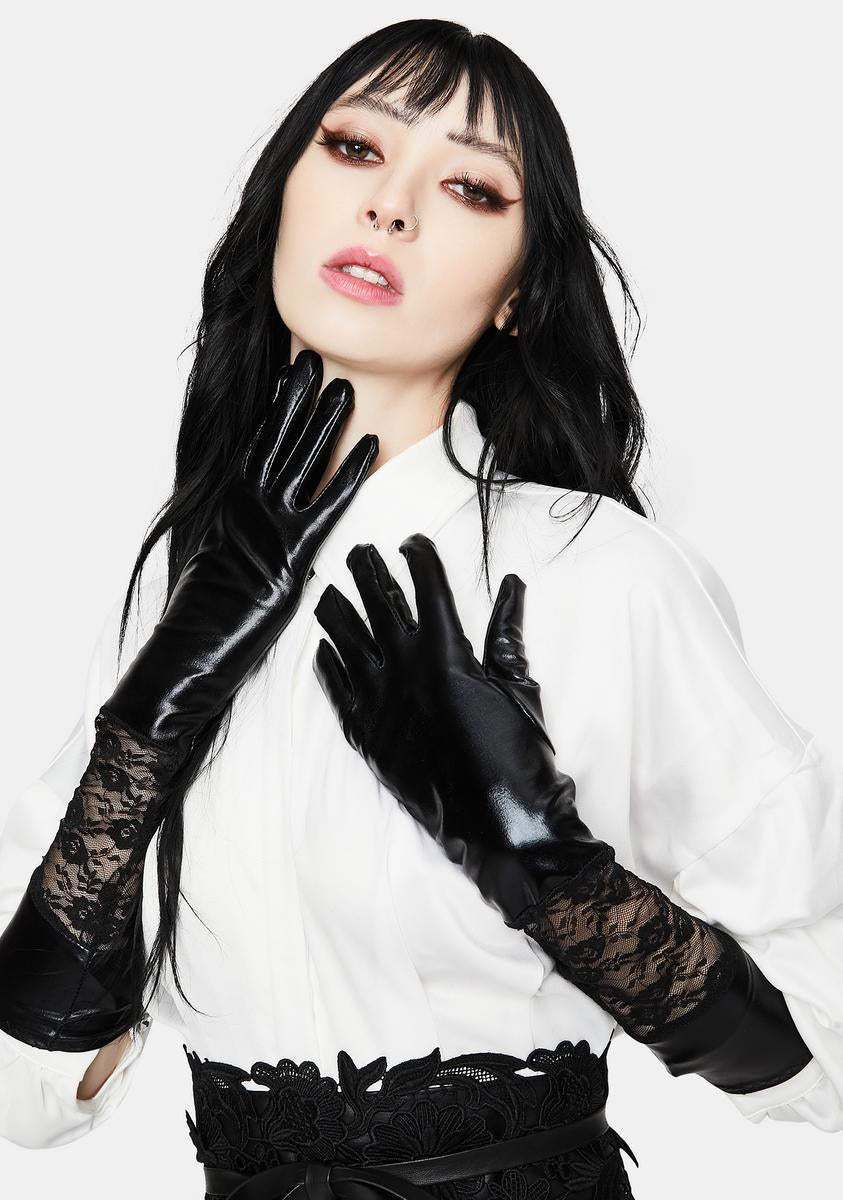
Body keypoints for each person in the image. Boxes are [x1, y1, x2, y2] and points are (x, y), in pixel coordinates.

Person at [1, 18, 841, 1200]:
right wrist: (149, 723)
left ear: (518, 296)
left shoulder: (598, 573)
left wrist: (542, 865)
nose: (390, 207)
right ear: (281, 198)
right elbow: (26, 1095)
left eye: (469, 188)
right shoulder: (177, 588)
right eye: (356, 148)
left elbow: (823, 1050)